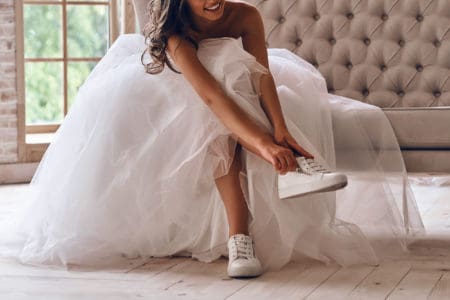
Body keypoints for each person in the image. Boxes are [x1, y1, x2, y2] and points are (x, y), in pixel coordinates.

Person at [0, 0, 423, 279]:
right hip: (176, 92)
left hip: (235, 86)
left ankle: (273, 187)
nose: (215, 0)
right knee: (216, 108)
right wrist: (264, 147)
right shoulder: (174, 31)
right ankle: (242, 236)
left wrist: (280, 129)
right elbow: (210, 97)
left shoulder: (245, 17)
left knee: (238, 71)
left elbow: (262, 76)